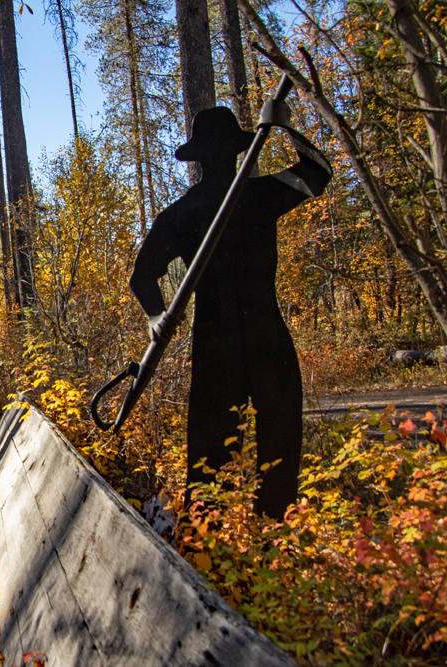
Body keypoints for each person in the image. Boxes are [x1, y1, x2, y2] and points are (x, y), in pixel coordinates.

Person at [128, 101, 332, 520]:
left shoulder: (240, 198)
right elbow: (319, 170)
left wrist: (156, 315)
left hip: (241, 333)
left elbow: (143, 277)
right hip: (235, 331)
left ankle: (237, 525)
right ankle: (231, 525)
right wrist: (286, 129)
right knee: (231, 434)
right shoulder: (240, 199)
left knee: (266, 427)